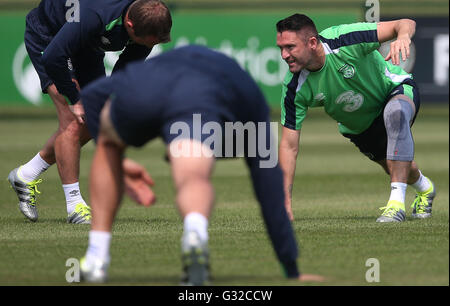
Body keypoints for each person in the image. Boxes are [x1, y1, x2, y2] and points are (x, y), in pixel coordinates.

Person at [77, 45, 323, 284]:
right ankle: (195, 232)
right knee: (193, 176)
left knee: (108, 146)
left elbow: (90, 96)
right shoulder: (248, 93)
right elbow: (267, 182)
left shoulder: (145, 69)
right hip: (202, 98)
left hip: (150, 88)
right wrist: (290, 266)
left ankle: (97, 257)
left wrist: (118, 165)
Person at [7, 0, 172, 224]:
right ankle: (74, 206)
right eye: (143, 42)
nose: (146, 46)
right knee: (72, 118)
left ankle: (26, 175)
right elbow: (54, 56)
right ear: (130, 24)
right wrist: (75, 99)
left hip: (87, 46)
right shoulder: (94, 15)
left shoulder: (147, 23)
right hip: (50, 37)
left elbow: (126, 67)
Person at [276, 14, 436, 223]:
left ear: (312, 43)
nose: (284, 55)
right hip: (361, 128)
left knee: (395, 114)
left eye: (290, 47)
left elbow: (404, 23)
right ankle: (426, 189)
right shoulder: (294, 87)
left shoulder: (344, 39)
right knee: (402, 167)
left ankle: (396, 206)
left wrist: (403, 37)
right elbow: (289, 146)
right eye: (281, 48)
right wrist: (284, 204)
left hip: (395, 90)